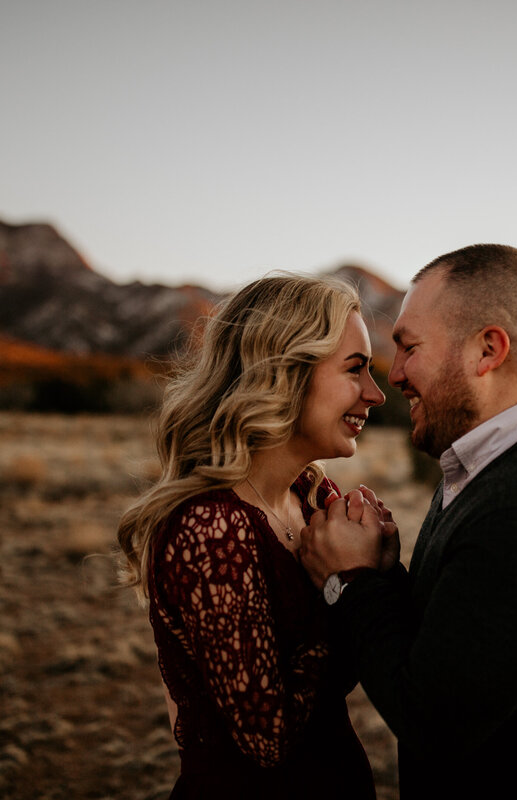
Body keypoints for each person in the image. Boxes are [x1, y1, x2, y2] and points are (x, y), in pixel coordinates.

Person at [299, 244, 517, 799]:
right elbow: (453, 645)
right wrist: (383, 576)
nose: (396, 375)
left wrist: (352, 583)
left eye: (408, 348)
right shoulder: (484, 470)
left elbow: (433, 719)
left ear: (487, 349)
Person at [116, 274, 387, 800]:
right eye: (355, 369)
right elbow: (268, 740)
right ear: (285, 373)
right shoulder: (210, 529)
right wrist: (346, 585)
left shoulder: (311, 496)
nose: (375, 394)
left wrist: (381, 567)